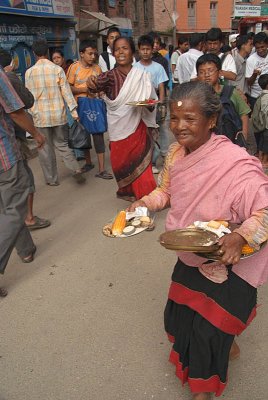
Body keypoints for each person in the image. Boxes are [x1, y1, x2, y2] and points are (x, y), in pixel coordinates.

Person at [128, 81, 268, 400]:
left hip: (230, 257)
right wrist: (144, 204)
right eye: (174, 119)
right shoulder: (176, 153)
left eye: (190, 119)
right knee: (178, 318)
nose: (179, 127)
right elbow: (166, 191)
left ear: (212, 120)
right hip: (190, 249)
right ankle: (227, 339)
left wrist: (241, 235)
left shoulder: (235, 162)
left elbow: (265, 209)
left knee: (206, 332)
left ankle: (202, 391)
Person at [87, 37, 158, 201]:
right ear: (113, 53)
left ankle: (146, 205)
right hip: (118, 130)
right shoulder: (109, 76)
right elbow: (94, 87)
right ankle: (129, 193)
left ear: (132, 52)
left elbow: (151, 103)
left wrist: (147, 105)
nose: (121, 52)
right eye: (117, 49)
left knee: (142, 169)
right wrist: (90, 83)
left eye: (125, 48)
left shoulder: (142, 76)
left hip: (138, 128)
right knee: (121, 165)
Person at [0, 66, 45, 297]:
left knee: (7, 207)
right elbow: (16, 112)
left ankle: (26, 250)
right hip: (3, 155)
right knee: (14, 210)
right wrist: (36, 134)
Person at [0, 48, 50, 231]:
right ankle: (28, 217)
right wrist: (36, 134)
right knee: (23, 183)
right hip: (10, 142)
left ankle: (25, 247)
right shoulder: (9, 78)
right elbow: (21, 107)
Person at [25, 39, 85, 186]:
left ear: (34, 53)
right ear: (47, 52)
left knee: (44, 148)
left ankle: (52, 179)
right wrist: (74, 112)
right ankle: (75, 169)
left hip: (40, 117)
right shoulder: (57, 70)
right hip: (59, 115)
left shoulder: (29, 73)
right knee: (63, 144)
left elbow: (27, 97)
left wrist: (30, 116)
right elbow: (66, 93)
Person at [67, 40, 113, 179]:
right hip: (80, 106)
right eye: (90, 53)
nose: (93, 56)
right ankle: (88, 163)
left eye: (94, 53)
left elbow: (102, 86)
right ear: (81, 54)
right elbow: (68, 88)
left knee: (98, 135)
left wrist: (97, 91)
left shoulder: (97, 68)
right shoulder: (74, 68)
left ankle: (101, 169)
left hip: (95, 105)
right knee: (84, 135)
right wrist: (85, 89)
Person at [134, 35, 169, 174]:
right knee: (143, 133)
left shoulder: (158, 67)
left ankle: (155, 160)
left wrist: (161, 103)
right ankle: (143, 161)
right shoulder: (134, 68)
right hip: (140, 106)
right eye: (143, 49)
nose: (145, 52)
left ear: (152, 50)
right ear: (139, 50)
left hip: (154, 105)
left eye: (148, 49)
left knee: (157, 132)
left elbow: (161, 86)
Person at [196, 53, 250, 141]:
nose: (206, 75)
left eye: (210, 70)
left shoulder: (231, 92)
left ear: (220, 72)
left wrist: (243, 136)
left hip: (231, 141)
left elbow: (243, 113)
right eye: (201, 72)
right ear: (197, 76)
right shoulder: (196, 96)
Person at [245, 32, 268, 111]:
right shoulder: (251, 60)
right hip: (256, 97)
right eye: (257, 48)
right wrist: (254, 75)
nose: (260, 50)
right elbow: (249, 83)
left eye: (262, 47)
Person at [252, 74, 268, 167]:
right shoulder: (266, 97)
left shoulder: (261, 95)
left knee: (262, 141)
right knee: (266, 143)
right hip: (266, 125)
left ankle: (260, 157)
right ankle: (265, 161)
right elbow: (265, 111)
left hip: (261, 125)